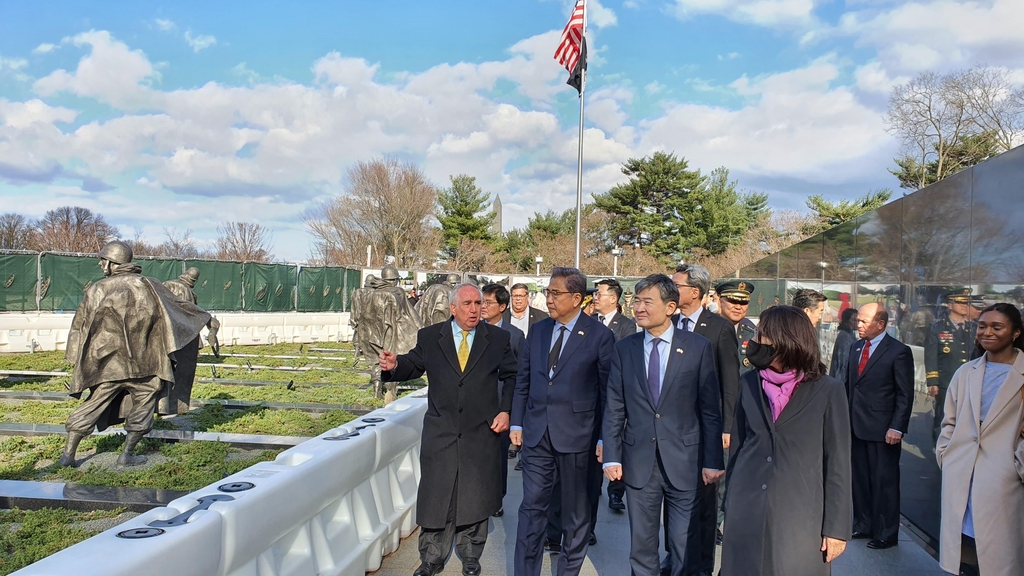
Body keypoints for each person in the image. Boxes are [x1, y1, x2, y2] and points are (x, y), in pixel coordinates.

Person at [379, 283, 519, 576]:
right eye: (467, 304)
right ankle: (431, 557)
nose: (474, 309)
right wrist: (394, 366)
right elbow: (414, 364)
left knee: (475, 492)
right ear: (453, 308)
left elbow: (511, 376)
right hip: (441, 429)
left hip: (481, 430)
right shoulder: (431, 337)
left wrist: (506, 411)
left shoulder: (498, 338)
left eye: (478, 303)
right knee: (436, 493)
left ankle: (471, 554)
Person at [602, 274, 724, 576]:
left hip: (686, 461)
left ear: (670, 307)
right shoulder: (625, 348)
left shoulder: (697, 347)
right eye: (636, 300)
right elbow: (615, 405)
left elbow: (710, 409)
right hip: (639, 460)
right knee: (641, 546)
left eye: (647, 301)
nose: (638, 308)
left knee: (683, 544)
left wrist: (712, 460)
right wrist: (612, 454)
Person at [720, 305, 852, 576]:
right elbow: (738, 448)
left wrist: (837, 529)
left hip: (801, 516)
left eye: (762, 335)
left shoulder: (829, 391)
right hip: (747, 509)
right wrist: (730, 503)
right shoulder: (748, 384)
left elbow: (839, 463)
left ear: (786, 339)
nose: (754, 342)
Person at [59, 241, 216, 467]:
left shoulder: (97, 289)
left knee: (94, 404)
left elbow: (79, 326)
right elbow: (181, 307)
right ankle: (126, 455)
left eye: (104, 260)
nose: (101, 264)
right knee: (143, 407)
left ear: (113, 263)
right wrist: (207, 318)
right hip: (146, 363)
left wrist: (76, 361)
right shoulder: (148, 285)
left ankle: (69, 454)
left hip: (109, 364)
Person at [510, 267, 615, 576]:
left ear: (577, 298)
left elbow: (609, 394)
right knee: (531, 509)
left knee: (575, 515)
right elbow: (523, 381)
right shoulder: (539, 330)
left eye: (555, 294)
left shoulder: (600, 336)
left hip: (579, 438)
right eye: (548, 293)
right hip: (537, 434)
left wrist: (605, 438)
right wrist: (517, 423)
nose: (549, 299)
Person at [936, 303, 1024, 576]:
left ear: (1015, 333)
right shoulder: (966, 372)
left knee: (1000, 557)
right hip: (961, 473)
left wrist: (1016, 467)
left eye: (997, 327)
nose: (988, 333)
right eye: (982, 326)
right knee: (964, 555)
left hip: (1004, 480)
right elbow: (948, 419)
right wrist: (946, 455)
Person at [671, 263, 739, 574]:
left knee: (705, 499)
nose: (671, 291)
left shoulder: (719, 327)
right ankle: (675, 558)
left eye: (677, 286)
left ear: (695, 292)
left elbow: (730, 382)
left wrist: (726, 427)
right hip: (671, 427)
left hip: (706, 428)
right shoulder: (668, 322)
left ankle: (701, 565)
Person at [845, 302, 913, 550]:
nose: (858, 324)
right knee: (860, 480)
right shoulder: (856, 347)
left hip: (883, 430)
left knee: (884, 482)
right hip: (856, 426)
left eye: (864, 321)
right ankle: (863, 524)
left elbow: (904, 394)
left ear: (881, 324)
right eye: (858, 320)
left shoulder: (898, 352)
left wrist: (897, 427)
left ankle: (886, 532)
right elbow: (850, 386)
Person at [480, 282, 526, 516]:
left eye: (488, 302)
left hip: (500, 404)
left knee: (498, 455)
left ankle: (497, 498)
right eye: (482, 301)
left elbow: (519, 374)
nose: (483, 307)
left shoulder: (515, 335)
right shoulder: (474, 330)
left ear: (502, 306)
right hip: (477, 403)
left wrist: (513, 410)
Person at [593, 277, 637, 513]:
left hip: (615, 389)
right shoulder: (588, 322)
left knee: (614, 438)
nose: (595, 298)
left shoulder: (626, 325)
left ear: (614, 298)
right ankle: (593, 485)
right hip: (591, 392)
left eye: (600, 294)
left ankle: (615, 492)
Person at [161, 267, 221, 415]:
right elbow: (188, 313)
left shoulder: (165, 285)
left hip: (164, 335)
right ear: (194, 280)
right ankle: (175, 407)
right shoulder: (185, 291)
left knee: (164, 373)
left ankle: (162, 406)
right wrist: (208, 321)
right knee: (182, 375)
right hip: (183, 339)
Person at [926, 289, 982, 442]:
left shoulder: (974, 327)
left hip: (971, 380)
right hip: (947, 380)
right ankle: (941, 451)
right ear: (950, 305)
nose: (965, 305)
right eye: (960, 302)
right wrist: (932, 382)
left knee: (968, 417)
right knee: (944, 417)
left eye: (966, 302)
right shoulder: (938, 327)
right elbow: (931, 355)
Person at [363, 265, 422, 401]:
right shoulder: (398, 292)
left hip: (375, 333)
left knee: (380, 359)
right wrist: (420, 328)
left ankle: (377, 390)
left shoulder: (372, 294)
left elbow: (365, 317)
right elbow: (409, 312)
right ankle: (391, 391)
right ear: (394, 279)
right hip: (393, 331)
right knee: (393, 358)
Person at [715, 280, 757, 376]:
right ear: (720, 301)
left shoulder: (752, 335)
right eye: (733, 301)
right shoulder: (706, 330)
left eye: (743, 302)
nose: (738, 307)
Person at [828, 308, 858, 380]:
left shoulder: (850, 334)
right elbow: (843, 364)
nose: (857, 323)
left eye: (858, 320)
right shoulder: (845, 337)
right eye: (854, 320)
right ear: (847, 321)